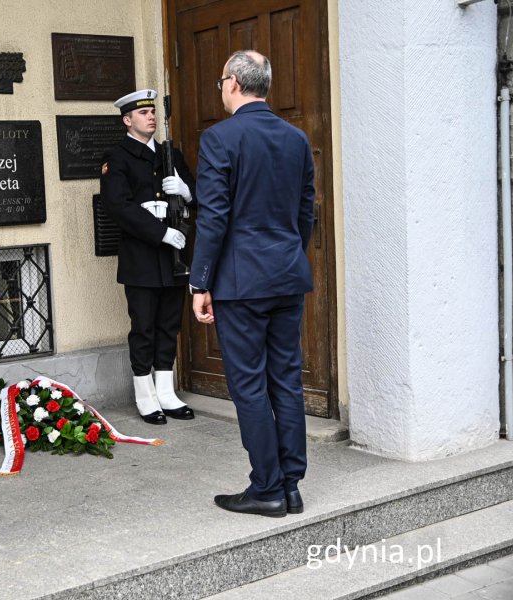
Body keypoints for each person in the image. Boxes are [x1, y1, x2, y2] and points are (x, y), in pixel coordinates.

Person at [190, 50, 315, 518]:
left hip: (241, 283)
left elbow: (214, 217)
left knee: (248, 385)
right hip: (286, 276)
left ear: (233, 84)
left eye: (221, 80)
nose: (219, 88)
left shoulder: (219, 138)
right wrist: (288, 256)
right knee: (285, 379)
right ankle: (291, 485)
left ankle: (267, 487)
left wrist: (200, 282)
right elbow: (306, 211)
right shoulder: (296, 138)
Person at [100, 88, 196, 425]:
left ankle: (166, 392)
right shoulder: (118, 157)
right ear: (127, 120)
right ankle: (145, 394)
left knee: (169, 325)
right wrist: (160, 232)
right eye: (143, 113)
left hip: (174, 258)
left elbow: (195, 195)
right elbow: (118, 206)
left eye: (153, 112)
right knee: (143, 327)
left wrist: (185, 191)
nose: (151, 116)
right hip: (142, 257)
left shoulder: (171, 154)